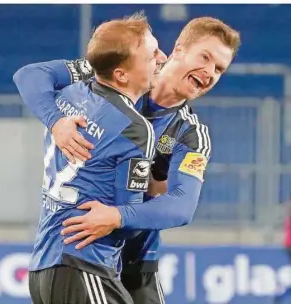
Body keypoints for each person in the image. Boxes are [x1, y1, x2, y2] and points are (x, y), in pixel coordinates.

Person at [14, 17, 240, 303]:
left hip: (135, 260)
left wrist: (118, 215)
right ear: (179, 50)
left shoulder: (191, 134)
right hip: (85, 251)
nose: (209, 72)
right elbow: (30, 76)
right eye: (205, 57)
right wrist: (56, 122)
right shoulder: (121, 67)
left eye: (219, 69)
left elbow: (182, 206)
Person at [14, 12, 166, 304]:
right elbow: (129, 220)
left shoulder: (68, 94)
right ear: (121, 74)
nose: (162, 58)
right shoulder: (135, 129)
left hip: (46, 263)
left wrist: (56, 121)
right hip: (86, 265)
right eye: (152, 55)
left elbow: (29, 74)